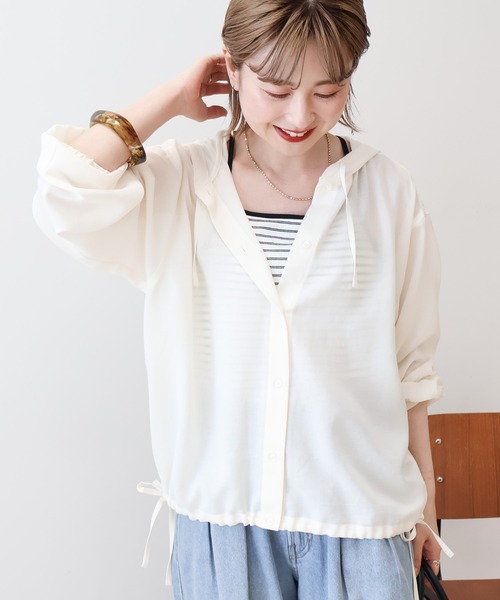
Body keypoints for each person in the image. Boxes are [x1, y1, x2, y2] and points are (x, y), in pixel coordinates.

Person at [33, 0, 451, 598]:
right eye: (276, 89)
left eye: (328, 91)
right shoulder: (181, 184)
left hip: (362, 521)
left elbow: (411, 370)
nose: (301, 115)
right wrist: (172, 99)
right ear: (231, 66)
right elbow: (65, 190)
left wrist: (425, 506)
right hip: (221, 523)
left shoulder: (387, 192)